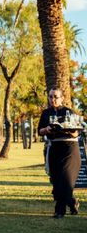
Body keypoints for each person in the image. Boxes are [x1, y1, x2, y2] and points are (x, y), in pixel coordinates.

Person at [37, 88, 81, 218]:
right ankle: (72, 203)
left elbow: (76, 132)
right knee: (56, 180)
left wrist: (71, 130)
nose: (53, 99)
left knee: (65, 180)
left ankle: (59, 211)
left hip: (69, 148)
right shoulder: (46, 113)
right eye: (50, 97)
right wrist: (47, 129)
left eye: (56, 97)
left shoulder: (69, 112)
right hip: (54, 147)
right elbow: (39, 131)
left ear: (62, 98)